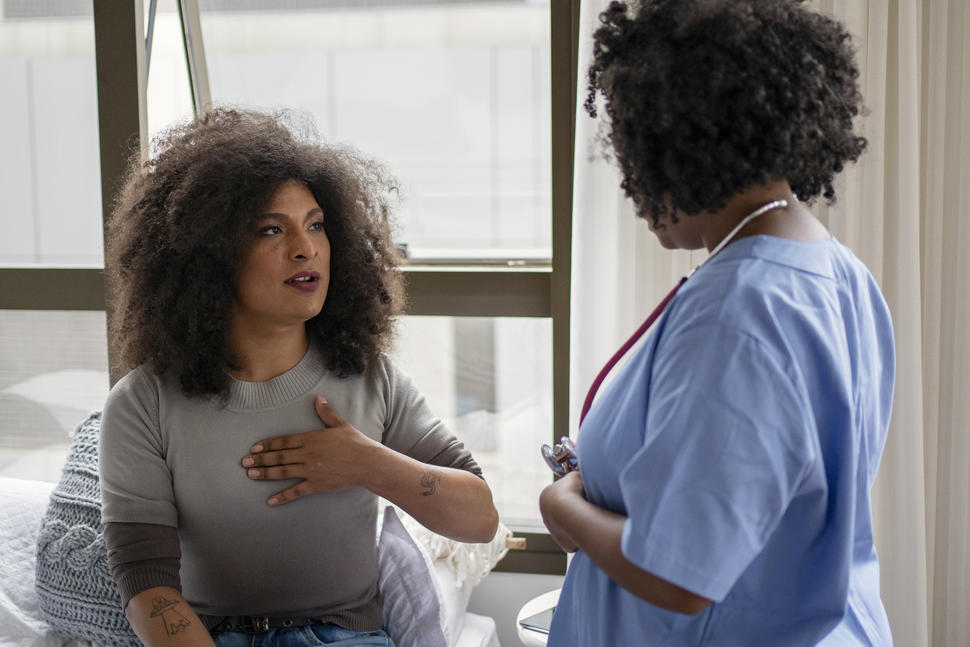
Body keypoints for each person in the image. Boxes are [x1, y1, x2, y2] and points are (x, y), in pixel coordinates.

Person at [538, 1, 894, 645]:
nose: (628, 179)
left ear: (675, 141)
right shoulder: (833, 271)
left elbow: (679, 574)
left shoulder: (740, 309)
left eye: (628, 147)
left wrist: (563, 507)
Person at [99, 107, 499, 647]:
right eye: (271, 230)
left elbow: (479, 518)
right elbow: (149, 588)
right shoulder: (142, 404)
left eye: (315, 225)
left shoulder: (370, 380)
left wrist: (369, 464)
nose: (305, 247)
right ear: (207, 257)